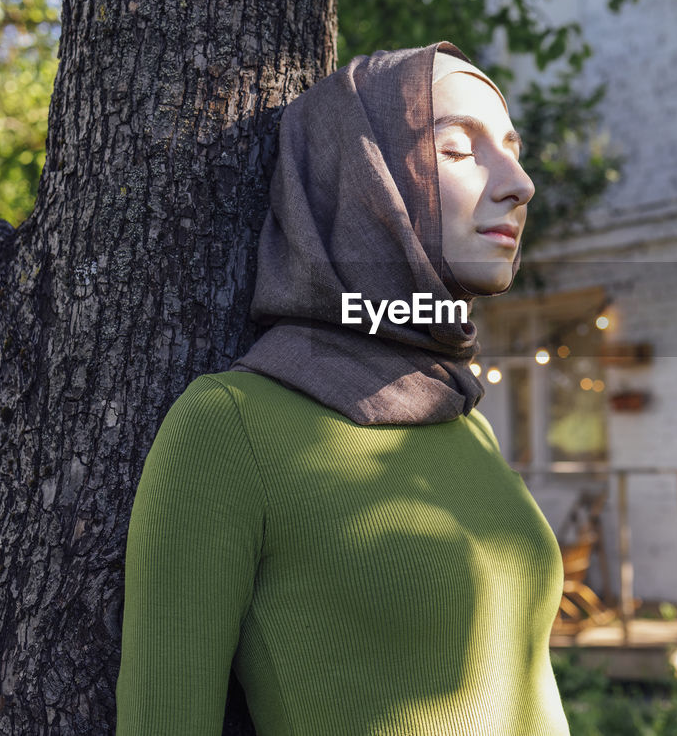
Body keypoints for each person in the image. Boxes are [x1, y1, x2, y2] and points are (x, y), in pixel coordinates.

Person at [114, 41, 571, 735]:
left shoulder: (459, 412)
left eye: (511, 147)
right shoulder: (230, 428)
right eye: (457, 150)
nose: (519, 182)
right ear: (366, 184)